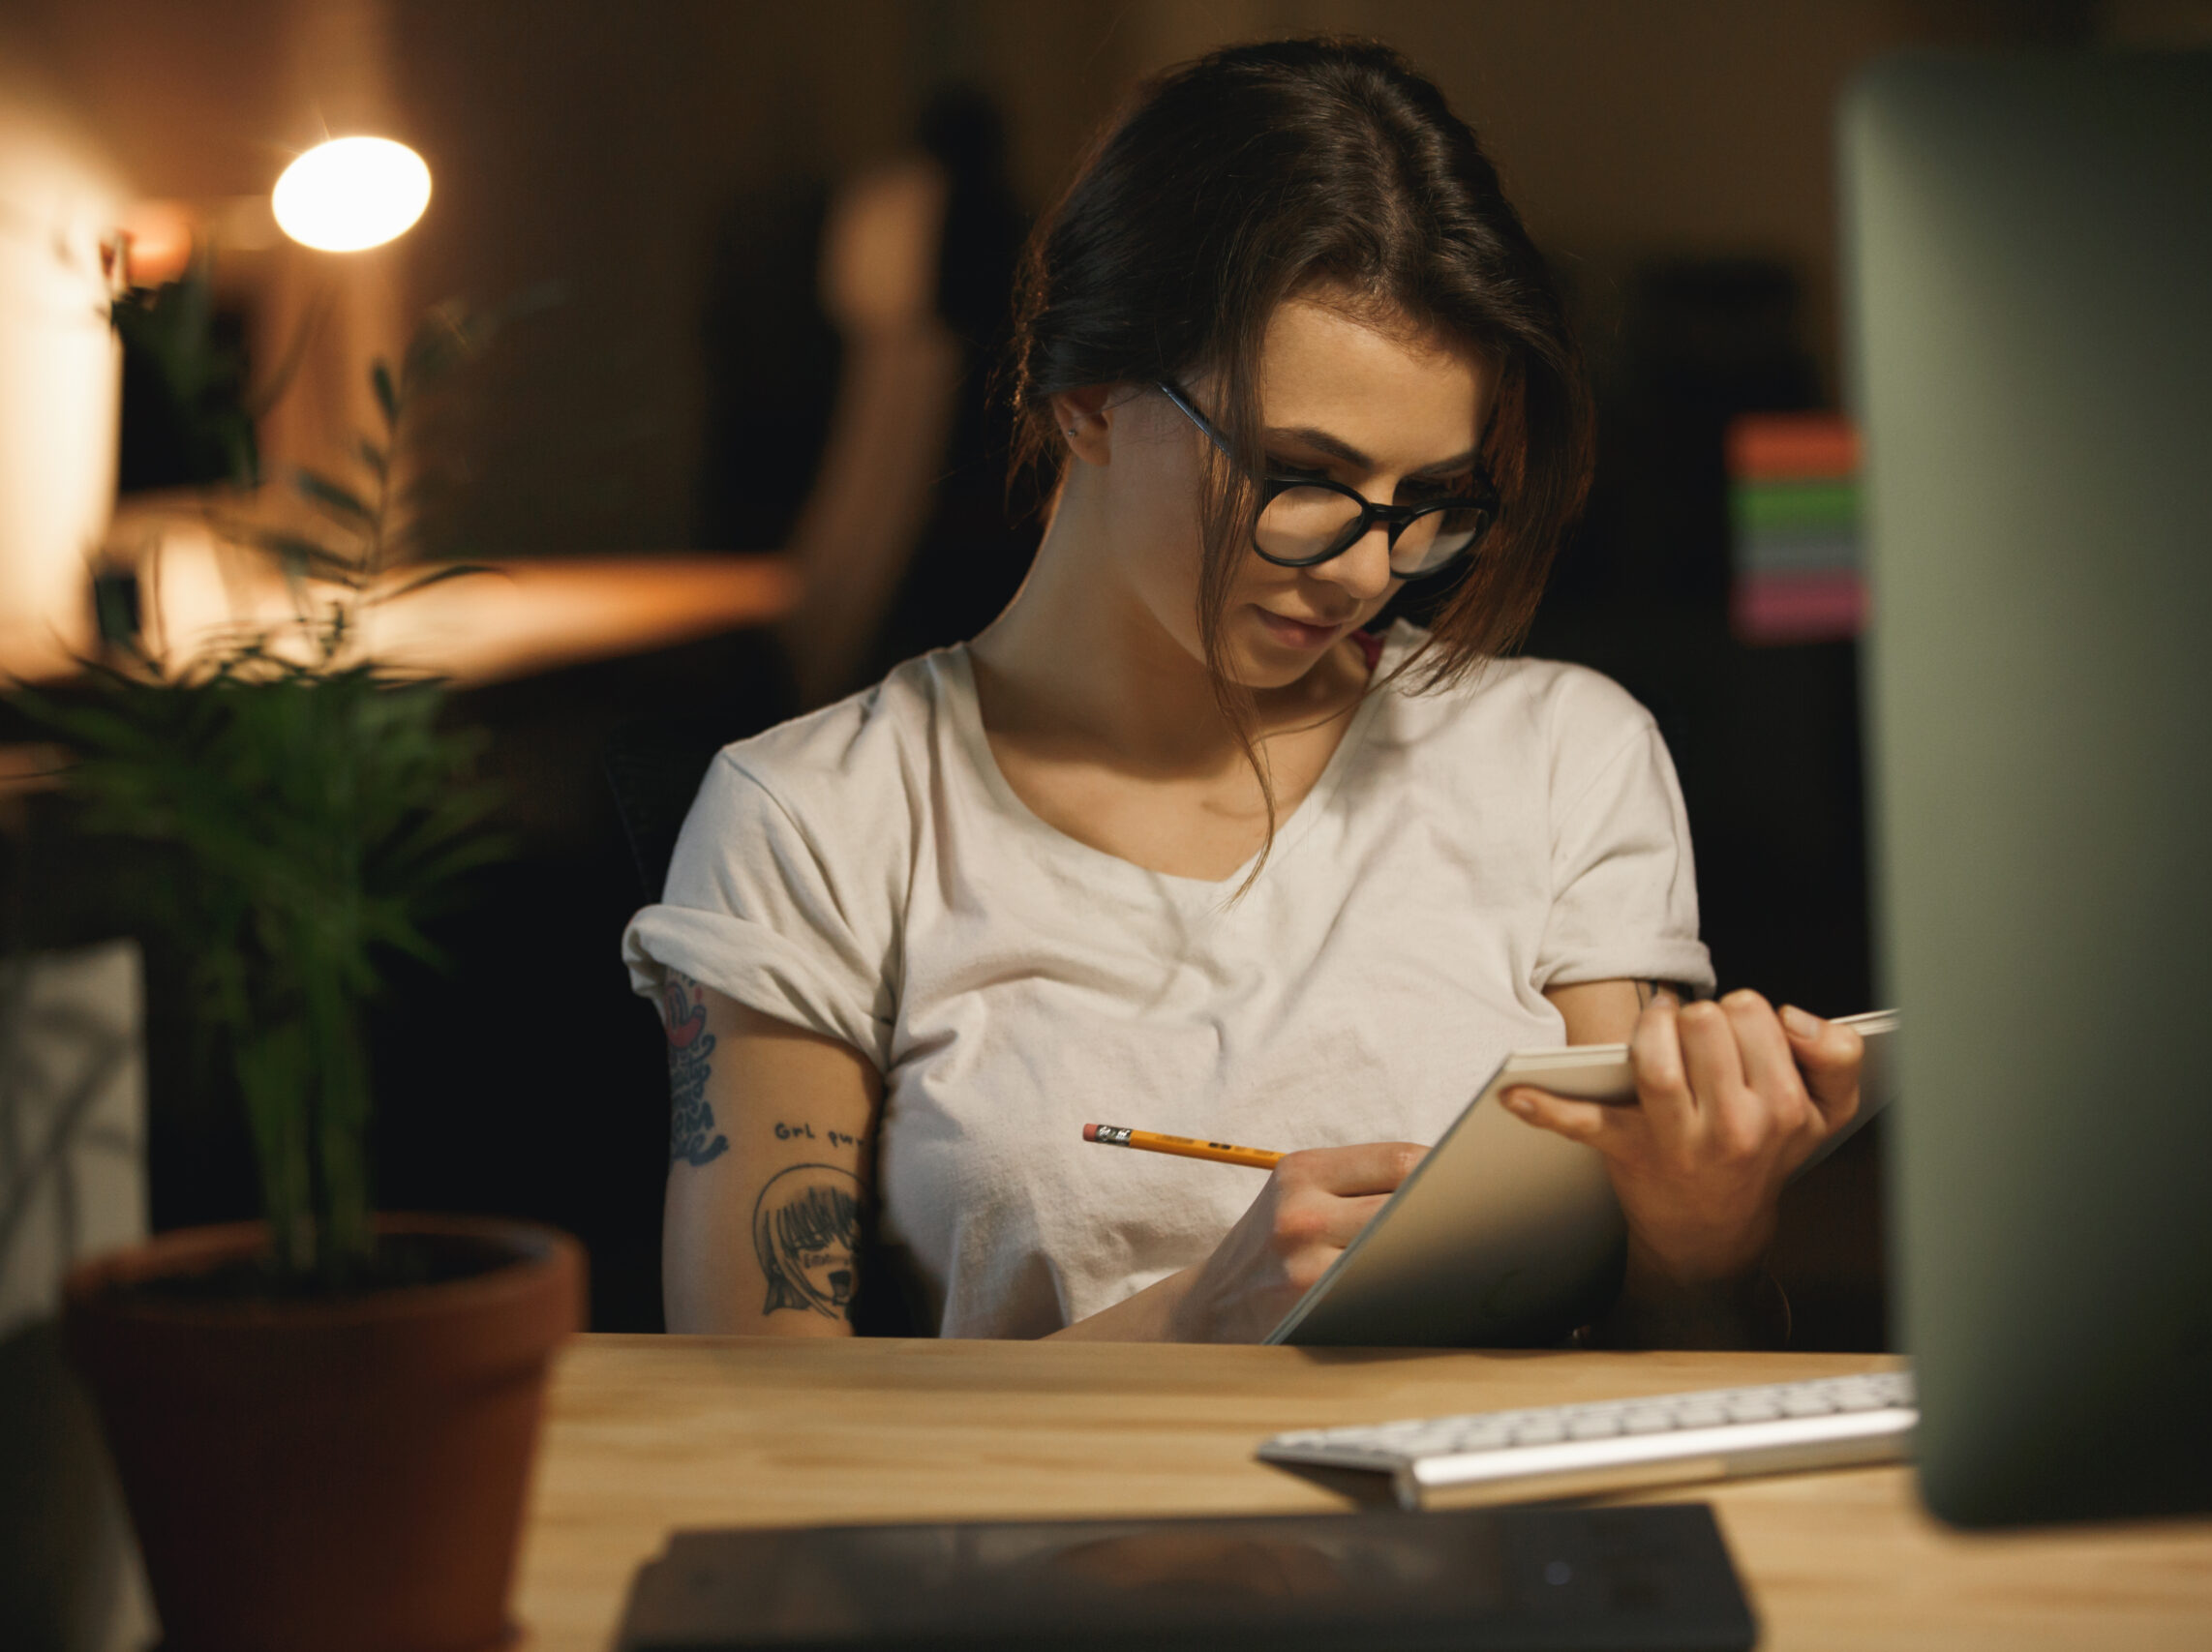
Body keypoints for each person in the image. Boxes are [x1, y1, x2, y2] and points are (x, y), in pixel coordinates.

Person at [624, 37, 1865, 1346]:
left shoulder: (1563, 756)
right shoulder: (817, 821)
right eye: (1303, 478)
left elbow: (1670, 1364)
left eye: (1427, 503)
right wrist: (1185, 1332)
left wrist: (1703, 1235)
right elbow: (762, 1425)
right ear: (1091, 396)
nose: (1370, 569)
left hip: (1496, 1542)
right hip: (1034, 1548)